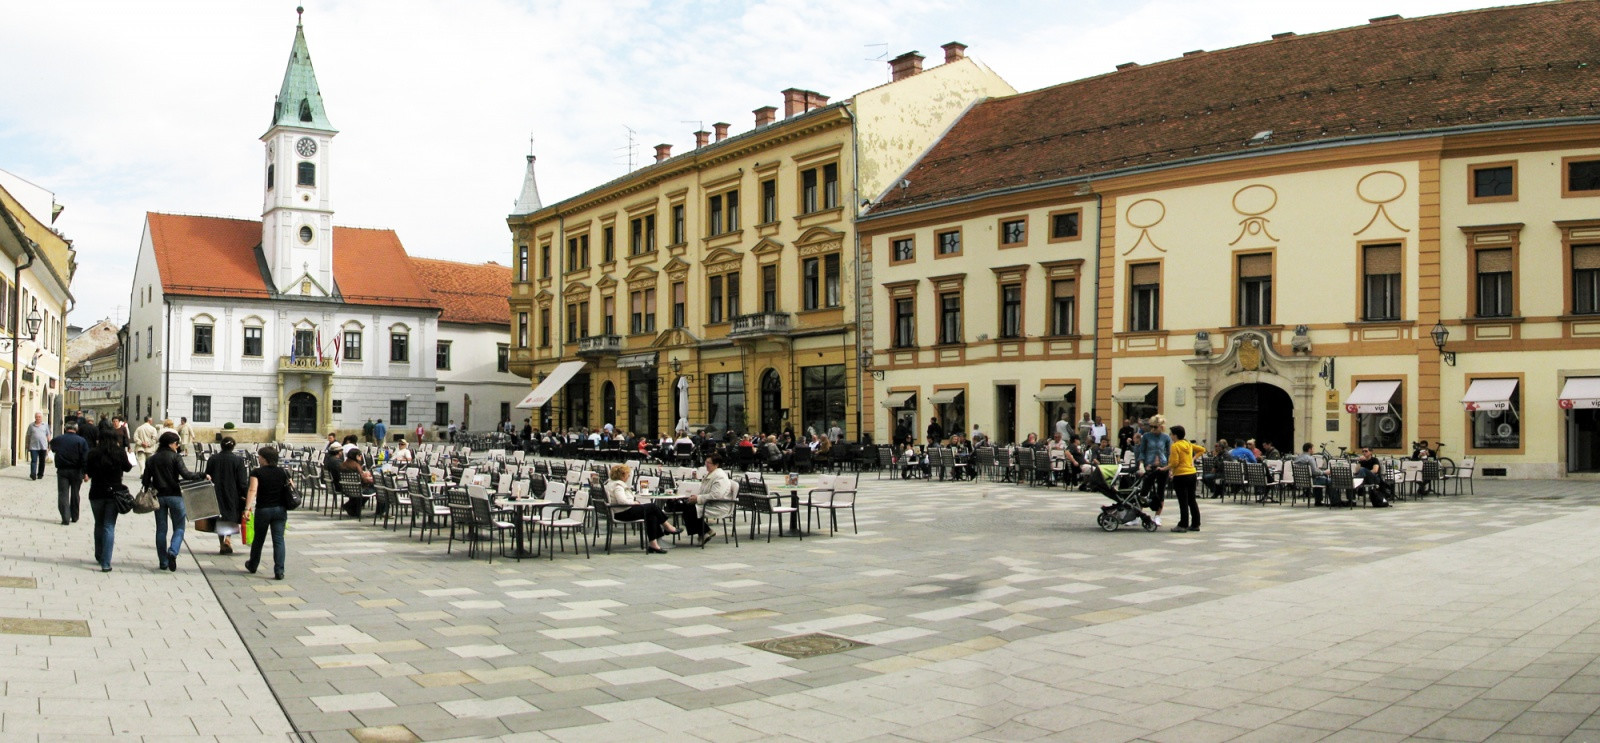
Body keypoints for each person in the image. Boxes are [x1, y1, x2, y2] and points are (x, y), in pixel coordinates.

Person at [142, 431, 206, 571]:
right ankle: (173, 551)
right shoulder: (175, 457)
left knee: (161, 529)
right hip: (175, 496)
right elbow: (186, 474)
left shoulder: (152, 459)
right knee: (179, 527)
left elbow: (145, 480)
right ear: (171, 444)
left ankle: (163, 562)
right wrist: (202, 475)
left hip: (158, 497)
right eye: (177, 443)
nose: (178, 446)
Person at [603, 464, 678, 553]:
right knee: (653, 507)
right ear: (622, 475)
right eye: (627, 475)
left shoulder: (610, 483)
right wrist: (634, 503)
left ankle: (653, 544)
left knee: (651, 514)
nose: (628, 477)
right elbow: (622, 501)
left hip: (618, 512)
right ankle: (667, 527)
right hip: (624, 512)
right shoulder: (618, 486)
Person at [85, 429, 132, 572]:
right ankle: (106, 562)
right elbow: (128, 468)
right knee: (109, 525)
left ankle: (99, 554)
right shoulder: (119, 452)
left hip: (96, 492)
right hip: (114, 493)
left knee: (98, 524)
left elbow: (89, 472)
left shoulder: (93, 453)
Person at [244, 446, 293, 580]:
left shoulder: (257, 472)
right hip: (280, 509)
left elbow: (252, 490)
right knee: (278, 540)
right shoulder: (283, 472)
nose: (258, 459)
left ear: (265, 459)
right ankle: (279, 570)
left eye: (260, 457)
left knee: (259, 539)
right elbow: (292, 486)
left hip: (263, 509)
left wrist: (247, 508)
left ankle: (253, 564)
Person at [204, 437, 249, 555]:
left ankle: (221, 542)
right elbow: (242, 481)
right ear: (233, 447)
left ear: (221, 446)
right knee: (231, 515)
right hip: (232, 492)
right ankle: (228, 539)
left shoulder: (213, 459)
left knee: (219, 516)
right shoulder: (238, 460)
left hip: (216, 491)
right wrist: (245, 494)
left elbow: (207, 475)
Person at [1133, 415, 1172, 526]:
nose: (1153, 429)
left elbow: (1169, 453)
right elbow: (1142, 451)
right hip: (1149, 466)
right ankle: (1138, 516)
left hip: (1162, 466)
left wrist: (1170, 468)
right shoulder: (1146, 436)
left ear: (1161, 427)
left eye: (1156, 427)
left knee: (1160, 492)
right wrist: (1141, 464)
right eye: (1152, 426)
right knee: (1144, 491)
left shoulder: (1165, 438)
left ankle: (1157, 516)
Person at [49, 423, 90, 525]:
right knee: (75, 493)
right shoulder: (81, 441)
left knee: (63, 494)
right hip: (77, 471)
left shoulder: (58, 439)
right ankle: (75, 516)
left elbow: (52, 447)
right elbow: (85, 458)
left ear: (65, 429)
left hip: (62, 470)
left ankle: (65, 517)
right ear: (76, 429)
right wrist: (86, 473)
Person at [1168, 425, 1203, 533]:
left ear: (1175, 435)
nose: (1170, 436)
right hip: (1192, 474)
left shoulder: (1175, 446)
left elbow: (1175, 462)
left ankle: (1183, 524)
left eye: (1171, 434)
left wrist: (1166, 469)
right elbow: (1202, 449)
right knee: (1192, 500)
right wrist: (1193, 459)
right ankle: (1196, 523)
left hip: (1181, 475)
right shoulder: (1188, 444)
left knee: (1183, 501)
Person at [339, 449, 375, 518]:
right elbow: (363, 480)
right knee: (375, 489)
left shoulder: (343, 464)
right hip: (358, 490)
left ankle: (351, 506)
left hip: (346, 489)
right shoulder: (356, 465)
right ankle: (380, 511)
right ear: (356, 456)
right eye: (360, 456)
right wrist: (370, 479)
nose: (361, 457)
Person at [26, 412, 50, 480]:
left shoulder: (45, 425)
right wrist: (27, 444)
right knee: (34, 460)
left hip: (43, 446)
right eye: (37, 417)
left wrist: (49, 445)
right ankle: (33, 474)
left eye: (39, 417)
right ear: (35, 417)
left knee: (42, 461)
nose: (38, 418)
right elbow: (28, 435)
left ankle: (40, 474)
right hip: (33, 446)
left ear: (41, 418)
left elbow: (48, 435)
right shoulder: (31, 425)